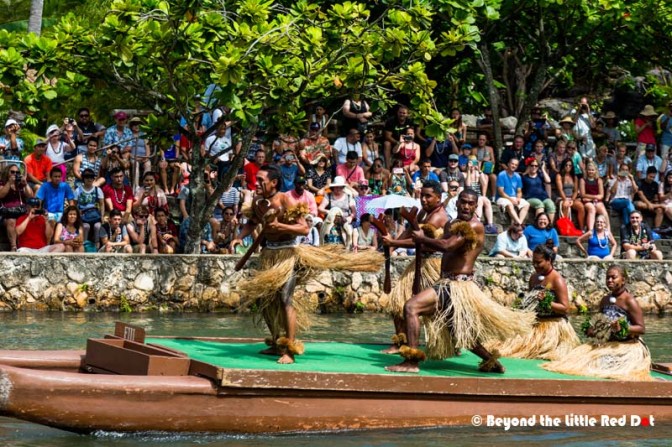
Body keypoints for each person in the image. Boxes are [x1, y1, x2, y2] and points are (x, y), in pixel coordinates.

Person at [233, 165, 381, 364]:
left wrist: (280, 226)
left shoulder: (285, 200)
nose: (257, 183)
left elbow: (303, 228)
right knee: (265, 301)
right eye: (257, 180)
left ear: (273, 183)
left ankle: (290, 350)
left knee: (285, 299)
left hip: (287, 255)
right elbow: (252, 222)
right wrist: (239, 238)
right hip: (268, 254)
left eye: (261, 180)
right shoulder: (260, 202)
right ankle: (277, 342)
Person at [385, 189, 534, 374]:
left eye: (471, 203)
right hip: (447, 283)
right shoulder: (452, 224)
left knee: (411, 307)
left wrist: (422, 238)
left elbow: (447, 246)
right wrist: (394, 243)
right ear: (456, 203)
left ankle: (411, 362)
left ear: (476, 205)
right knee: (459, 333)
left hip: (457, 286)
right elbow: (429, 243)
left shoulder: (474, 226)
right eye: (463, 201)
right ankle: (492, 362)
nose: (466, 206)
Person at [543, 265, 652, 381]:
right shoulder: (605, 300)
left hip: (626, 346)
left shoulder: (629, 301)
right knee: (576, 360)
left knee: (599, 364)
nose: (609, 280)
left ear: (623, 280)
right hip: (607, 344)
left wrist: (623, 327)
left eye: (613, 277)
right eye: (607, 278)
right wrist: (593, 330)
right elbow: (599, 322)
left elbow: (641, 329)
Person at [380, 180, 449, 354]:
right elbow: (410, 232)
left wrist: (394, 241)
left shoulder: (437, 216)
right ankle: (400, 342)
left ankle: (444, 346)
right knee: (397, 300)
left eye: (428, 196)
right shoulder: (422, 213)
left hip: (432, 264)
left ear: (439, 198)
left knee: (432, 310)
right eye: (422, 195)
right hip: (418, 262)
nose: (424, 199)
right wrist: (392, 246)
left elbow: (418, 240)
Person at [487, 245, 579, 360]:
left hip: (553, 326)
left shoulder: (557, 280)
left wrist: (547, 302)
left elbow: (565, 308)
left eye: (538, 262)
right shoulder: (534, 277)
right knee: (508, 346)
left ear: (548, 260)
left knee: (540, 352)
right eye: (533, 262)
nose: (535, 265)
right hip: (536, 324)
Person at [0, 163, 34, 251]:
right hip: (7, 213)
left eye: (17, 172)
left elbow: (31, 195)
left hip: (21, 211)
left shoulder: (20, 184)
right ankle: (13, 247)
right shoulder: (2, 183)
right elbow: (1, 195)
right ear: (7, 172)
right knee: (11, 221)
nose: (15, 174)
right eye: (12, 172)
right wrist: (9, 183)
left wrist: (25, 184)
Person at [496, 158, 530, 225]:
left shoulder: (518, 176)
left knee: (527, 204)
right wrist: (511, 199)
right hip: (502, 197)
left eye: (516, 165)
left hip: (514, 197)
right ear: (508, 164)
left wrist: (518, 198)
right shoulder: (502, 175)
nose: (514, 166)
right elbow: (501, 192)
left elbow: (519, 191)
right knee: (509, 204)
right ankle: (520, 224)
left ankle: (518, 222)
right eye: (512, 164)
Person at [522, 157, 555, 223]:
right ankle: (538, 225)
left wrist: (542, 169)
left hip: (543, 197)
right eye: (532, 165)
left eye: (536, 166)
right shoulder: (524, 177)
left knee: (551, 205)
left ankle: (549, 225)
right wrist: (527, 171)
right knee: (539, 204)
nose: (534, 167)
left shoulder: (540, 175)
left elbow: (548, 180)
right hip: (530, 198)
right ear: (529, 166)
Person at [555, 158, 585, 231]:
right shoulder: (559, 176)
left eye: (570, 165)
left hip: (572, 197)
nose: (568, 167)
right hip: (562, 197)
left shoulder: (574, 177)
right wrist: (565, 199)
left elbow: (575, 191)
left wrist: (572, 200)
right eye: (566, 165)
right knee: (565, 205)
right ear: (563, 166)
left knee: (581, 206)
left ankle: (582, 228)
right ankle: (565, 229)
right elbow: (560, 190)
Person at [579, 162, 609, 232]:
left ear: (595, 171)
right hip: (586, 201)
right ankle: (590, 230)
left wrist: (593, 198)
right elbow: (583, 194)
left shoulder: (599, 180)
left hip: (597, 200)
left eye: (592, 170)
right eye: (589, 170)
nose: (591, 172)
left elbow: (601, 195)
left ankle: (607, 230)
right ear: (586, 170)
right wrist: (594, 197)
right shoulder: (583, 180)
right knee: (591, 208)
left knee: (603, 211)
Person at [635, 166, 665, 230]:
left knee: (660, 210)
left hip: (652, 204)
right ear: (647, 174)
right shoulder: (640, 182)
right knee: (640, 204)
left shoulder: (655, 184)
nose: (652, 179)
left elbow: (656, 197)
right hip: (641, 202)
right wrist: (648, 204)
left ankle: (657, 229)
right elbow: (640, 195)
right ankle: (659, 205)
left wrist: (654, 203)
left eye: (653, 177)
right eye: (650, 177)